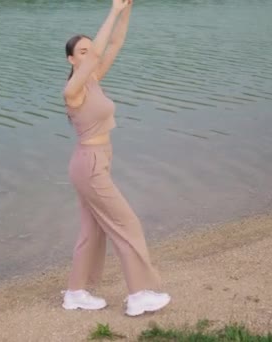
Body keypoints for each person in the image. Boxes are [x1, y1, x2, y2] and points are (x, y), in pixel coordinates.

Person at [61, 0, 171, 317]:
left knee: (92, 231)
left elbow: (116, 41)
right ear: (70, 59)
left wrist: (126, 8)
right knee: (127, 224)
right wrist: (111, 10)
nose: (88, 54)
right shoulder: (73, 90)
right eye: (81, 52)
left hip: (95, 163)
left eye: (87, 50)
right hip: (89, 166)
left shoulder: (93, 78)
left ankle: (76, 293)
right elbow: (97, 50)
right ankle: (138, 296)